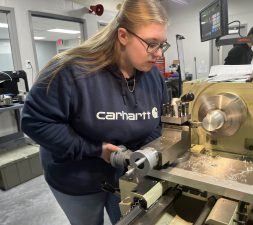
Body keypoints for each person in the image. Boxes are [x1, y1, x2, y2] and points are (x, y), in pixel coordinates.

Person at [21, 0, 170, 224]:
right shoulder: (71, 70)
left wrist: (138, 157)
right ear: (123, 36)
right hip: (77, 180)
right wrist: (96, 150)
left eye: (162, 45)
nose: (158, 53)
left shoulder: (153, 77)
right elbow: (36, 123)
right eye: (151, 43)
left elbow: (160, 122)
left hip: (127, 176)